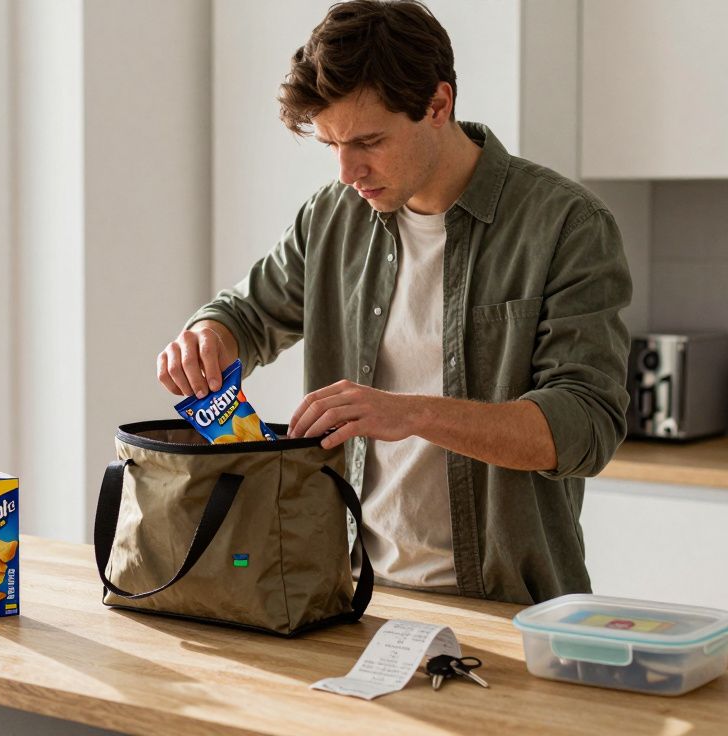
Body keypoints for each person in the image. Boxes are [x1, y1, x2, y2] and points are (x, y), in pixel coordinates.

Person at [156, 0, 631, 605]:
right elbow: (248, 316)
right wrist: (208, 334)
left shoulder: (565, 225)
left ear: (438, 105)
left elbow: (585, 425)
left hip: (509, 605)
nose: (348, 170)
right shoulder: (332, 217)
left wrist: (413, 415)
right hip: (348, 594)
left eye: (368, 141)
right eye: (331, 144)